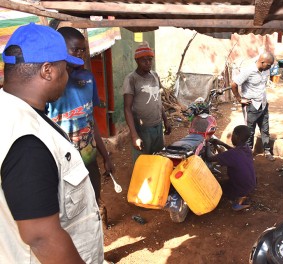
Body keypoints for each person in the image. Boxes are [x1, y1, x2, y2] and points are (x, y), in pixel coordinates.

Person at [0, 23, 104, 263]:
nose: (67, 77)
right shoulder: (27, 140)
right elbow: (41, 236)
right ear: (48, 70)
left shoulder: (10, 110)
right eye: (65, 69)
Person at [46, 27, 114, 216]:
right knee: (68, 210)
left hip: (88, 158)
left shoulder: (87, 79)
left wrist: (106, 157)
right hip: (62, 164)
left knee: (94, 199)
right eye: (75, 50)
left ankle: (99, 221)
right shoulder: (49, 85)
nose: (81, 54)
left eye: (83, 50)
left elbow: (90, 120)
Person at [123, 42, 171, 165]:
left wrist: (165, 120)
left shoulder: (155, 75)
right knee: (143, 162)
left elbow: (158, 100)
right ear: (137, 61)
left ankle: (156, 183)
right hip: (142, 129)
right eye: (144, 60)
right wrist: (134, 135)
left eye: (150, 60)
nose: (148, 63)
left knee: (158, 159)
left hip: (157, 125)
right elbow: (127, 108)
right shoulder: (131, 79)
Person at [230, 51, 276, 161]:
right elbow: (234, 84)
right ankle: (248, 152)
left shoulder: (266, 70)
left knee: (265, 129)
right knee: (249, 130)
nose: (270, 67)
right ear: (262, 61)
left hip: (263, 104)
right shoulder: (248, 70)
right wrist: (239, 98)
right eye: (268, 65)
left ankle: (267, 150)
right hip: (251, 105)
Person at [206, 125, 256, 211]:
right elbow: (232, 151)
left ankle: (238, 203)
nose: (231, 137)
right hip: (251, 182)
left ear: (237, 136)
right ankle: (241, 196)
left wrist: (206, 143)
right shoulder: (246, 148)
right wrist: (222, 144)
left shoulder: (233, 154)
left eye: (233, 135)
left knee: (218, 189)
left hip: (242, 187)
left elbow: (209, 158)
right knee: (223, 185)